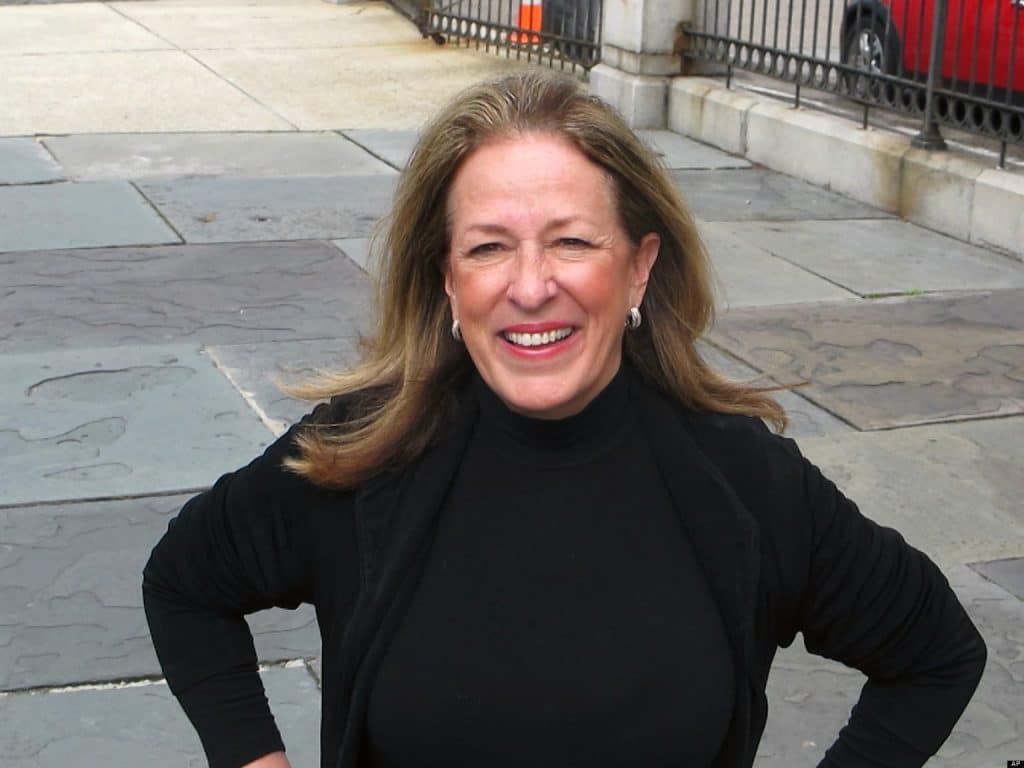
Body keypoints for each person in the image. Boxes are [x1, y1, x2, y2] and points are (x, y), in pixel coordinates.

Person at [143, 71, 986, 768]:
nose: (531, 284)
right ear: (446, 281)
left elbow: (936, 654)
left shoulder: (743, 483)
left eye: (573, 241)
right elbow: (184, 584)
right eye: (487, 247)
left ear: (638, 269)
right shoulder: (363, 453)